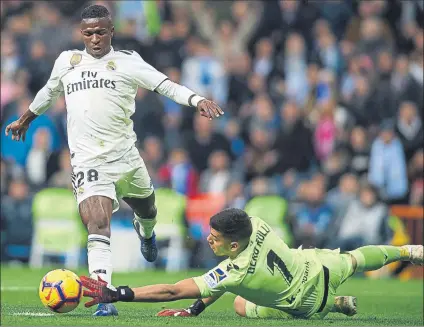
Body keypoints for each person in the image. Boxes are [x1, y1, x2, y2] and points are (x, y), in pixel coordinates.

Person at [4, 4, 224, 316]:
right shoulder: (67, 61)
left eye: (101, 32)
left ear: (112, 32)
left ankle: (146, 232)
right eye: (88, 33)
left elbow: (164, 84)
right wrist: (26, 118)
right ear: (82, 33)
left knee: (148, 206)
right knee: (97, 222)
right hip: (88, 162)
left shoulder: (127, 62)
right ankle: (104, 296)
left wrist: (197, 99)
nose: (94, 38)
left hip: (126, 156)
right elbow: (49, 92)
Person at [80, 208, 423, 320]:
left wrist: (118, 293)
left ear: (232, 243)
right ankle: (409, 251)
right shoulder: (255, 223)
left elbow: (173, 290)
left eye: (214, 237)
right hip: (319, 266)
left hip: (307, 305)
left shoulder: (234, 270)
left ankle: (335, 305)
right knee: (356, 258)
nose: (208, 239)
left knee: (242, 304)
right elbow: (217, 282)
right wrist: (197, 308)